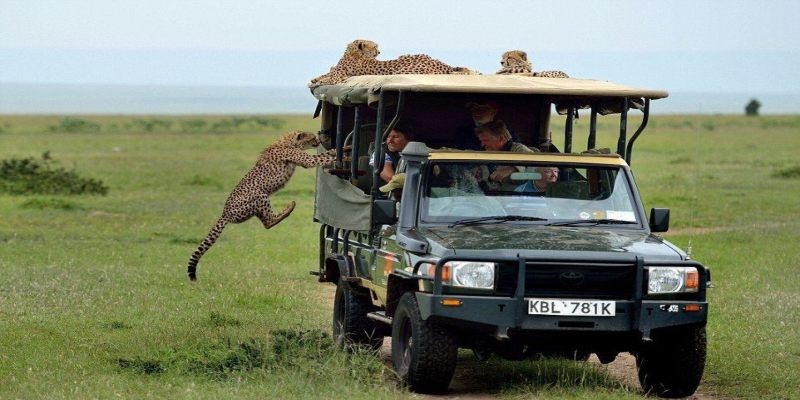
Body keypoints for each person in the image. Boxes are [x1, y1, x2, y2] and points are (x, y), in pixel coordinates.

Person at [474, 120, 537, 188]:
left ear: (501, 138)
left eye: (486, 140)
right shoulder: (489, 151)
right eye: (481, 141)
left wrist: (511, 169)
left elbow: (533, 162)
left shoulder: (518, 149)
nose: (482, 145)